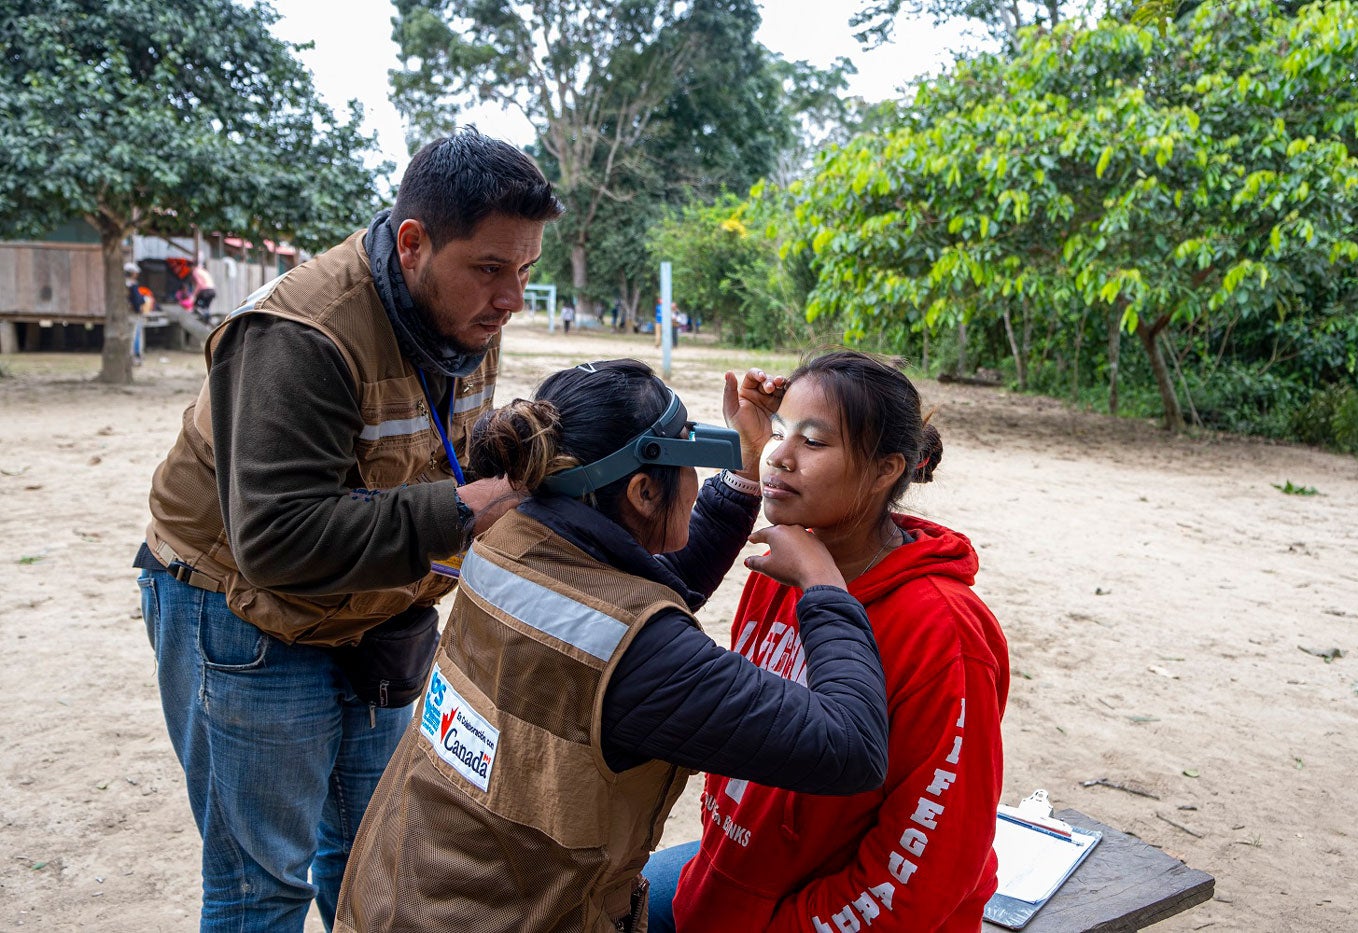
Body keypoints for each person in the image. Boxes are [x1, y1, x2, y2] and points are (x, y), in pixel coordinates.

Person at [134, 127, 565, 932]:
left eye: (525, 272)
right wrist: (464, 510)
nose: (510, 298)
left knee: (377, 855)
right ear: (413, 244)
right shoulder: (302, 336)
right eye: (490, 269)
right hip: (243, 613)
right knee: (262, 888)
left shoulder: (464, 314)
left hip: (369, 614)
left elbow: (444, 448)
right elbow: (276, 540)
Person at [333, 358, 890, 933]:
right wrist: (823, 586)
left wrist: (744, 474)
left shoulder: (509, 534)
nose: (699, 481)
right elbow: (850, 745)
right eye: (692, 463)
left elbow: (643, 586)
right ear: (645, 490)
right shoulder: (641, 653)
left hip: (403, 891)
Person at [650, 349, 1010, 933]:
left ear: (886, 469)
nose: (779, 458)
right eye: (779, 432)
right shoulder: (788, 563)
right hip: (728, 885)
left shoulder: (943, 633)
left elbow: (928, 870)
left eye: (813, 443)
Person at [124, 262, 147, 365]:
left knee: (129, 336)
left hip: (125, 313)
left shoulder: (123, 284)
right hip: (132, 313)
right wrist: (140, 307)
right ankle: (133, 357)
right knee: (133, 336)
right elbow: (138, 300)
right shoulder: (132, 285)